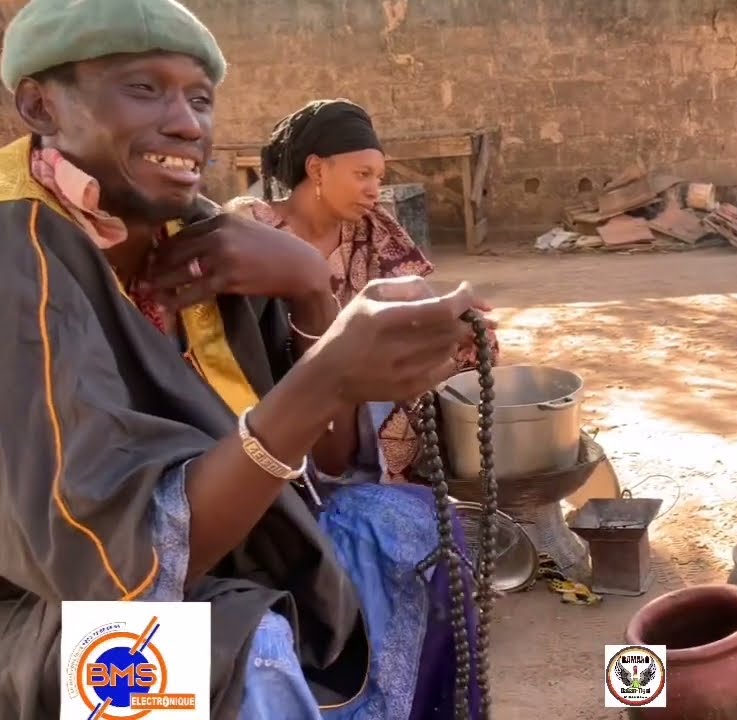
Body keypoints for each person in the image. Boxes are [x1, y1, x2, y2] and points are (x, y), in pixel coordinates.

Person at [0, 1, 490, 718]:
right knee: (229, 658)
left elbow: (329, 469)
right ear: (41, 105)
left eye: (199, 98)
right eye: (143, 89)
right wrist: (326, 376)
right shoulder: (21, 266)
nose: (186, 123)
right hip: (49, 621)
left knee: (408, 528)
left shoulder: (202, 241)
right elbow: (122, 573)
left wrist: (311, 290)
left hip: (228, 566)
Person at [224, 99, 499, 483]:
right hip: (275, 385)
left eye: (379, 178)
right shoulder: (252, 224)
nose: (373, 190)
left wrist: (449, 324)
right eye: (363, 174)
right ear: (317, 168)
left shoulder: (370, 229)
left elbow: (405, 301)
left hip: (356, 378)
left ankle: (391, 476)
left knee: (471, 344)